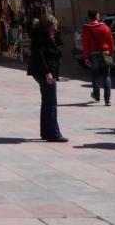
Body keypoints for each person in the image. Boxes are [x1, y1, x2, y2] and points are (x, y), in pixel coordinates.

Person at [27, 14, 67, 142]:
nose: (57, 26)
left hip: (44, 71)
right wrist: (47, 72)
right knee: (51, 103)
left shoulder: (47, 36)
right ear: (49, 25)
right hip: (45, 72)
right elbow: (40, 55)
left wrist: (55, 36)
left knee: (46, 102)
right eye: (55, 24)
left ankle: (46, 132)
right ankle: (53, 133)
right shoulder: (42, 37)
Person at [81, 9, 115, 105]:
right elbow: (110, 41)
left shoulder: (86, 28)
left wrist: (86, 57)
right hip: (105, 53)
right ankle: (107, 100)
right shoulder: (105, 27)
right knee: (106, 76)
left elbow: (85, 43)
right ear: (96, 16)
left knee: (95, 76)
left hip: (93, 54)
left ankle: (96, 95)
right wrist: (111, 54)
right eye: (98, 15)